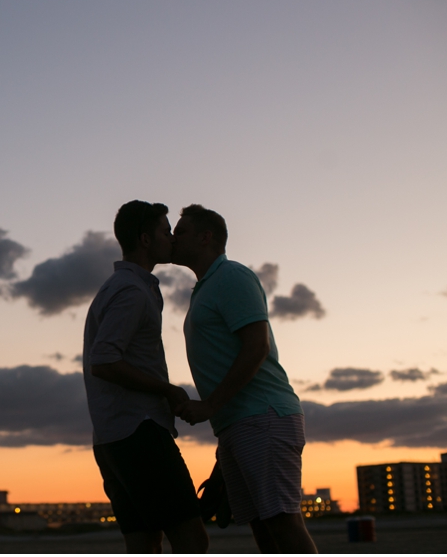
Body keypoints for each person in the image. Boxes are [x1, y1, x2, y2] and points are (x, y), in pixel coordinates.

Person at [171, 204, 318, 553]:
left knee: (283, 525)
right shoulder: (206, 287)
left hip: (262, 416)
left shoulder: (232, 277)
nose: (173, 240)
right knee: (265, 533)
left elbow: (257, 347)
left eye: (181, 233)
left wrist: (209, 404)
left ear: (206, 238)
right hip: (238, 423)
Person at [82, 200, 209, 554]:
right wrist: (166, 388)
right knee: (192, 539)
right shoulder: (131, 292)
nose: (171, 238)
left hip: (111, 438)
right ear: (145, 239)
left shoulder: (120, 287)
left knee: (143, 542)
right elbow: (104, 361)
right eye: (165, 231)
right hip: (138, 432)